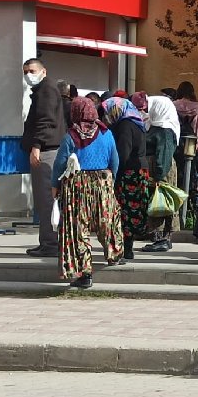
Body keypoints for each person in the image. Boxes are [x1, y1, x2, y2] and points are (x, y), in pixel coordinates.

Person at [52, 96, 124, 288]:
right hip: (103, 182)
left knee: (78, 229)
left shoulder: (70, 136)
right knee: (107, 221)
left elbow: (60, 164)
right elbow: (114, 160)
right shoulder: (106, 133)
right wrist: (110, 181)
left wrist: (55, 186)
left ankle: (84, 274)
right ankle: (115, 254)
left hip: (77, 187)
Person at [101, 97, 154, 261]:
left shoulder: (124, 126)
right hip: (139, 171)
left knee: (124, 211)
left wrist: (113, 172)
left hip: (128, 173)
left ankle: (126, 248)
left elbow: (122, 153)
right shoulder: (137, 122)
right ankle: (127, 246)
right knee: (133, 211)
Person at [21, 57, 64, 258]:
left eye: (31, 71)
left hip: (46, 151)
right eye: (25, 72)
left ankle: (50, 243)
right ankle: (46, 241)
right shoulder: (44, 89)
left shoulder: (46, 89)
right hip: (46, 150)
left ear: (43, 71)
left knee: (46, 199)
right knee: (44, 199)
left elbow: (45, 121)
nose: (28, 75)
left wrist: (36, 146)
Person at [142, 92, 180, 252]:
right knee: (159, 203)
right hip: (158, 168)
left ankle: (162, 238)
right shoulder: (157, 124)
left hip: (161, 170)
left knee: (161, 203)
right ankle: (160, 238)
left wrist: (158, 176)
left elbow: (163, 154)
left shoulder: (165, 130)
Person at [174, 81, 198, 237]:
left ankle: (178, 210)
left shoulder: (172, 105)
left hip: (176, 145)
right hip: (195, 146)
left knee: (178, 179)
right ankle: (193, 209)